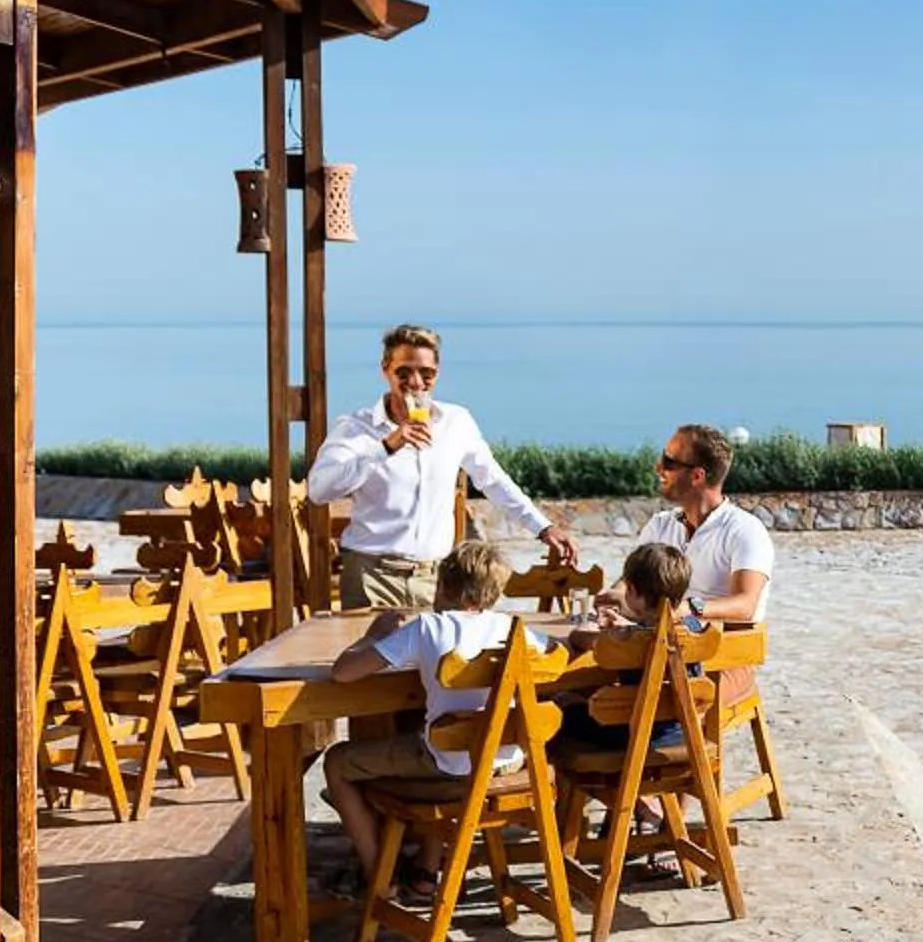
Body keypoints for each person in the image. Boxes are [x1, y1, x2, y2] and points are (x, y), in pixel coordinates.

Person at [306, 324, 578, 608]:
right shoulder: (355, 428)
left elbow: (493, 480)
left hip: (437, 580)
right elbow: (319, 490)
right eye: (404, 372)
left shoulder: (455, 422)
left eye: (426, 374)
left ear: (437, 373)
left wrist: (544, 528)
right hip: (372, 577)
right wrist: (386, 447)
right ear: (385, 369)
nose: (416, 383)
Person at [319, 541, 519, 899]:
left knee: (338, 761)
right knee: (428, 731)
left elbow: (343, 673)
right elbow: (561, 654)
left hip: (450, 771)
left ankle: (381, 878)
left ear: (442, 587)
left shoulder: (427, 628)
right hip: (505, 766)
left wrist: (374, 636)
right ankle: (426, 870)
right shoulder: (513, 629)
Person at [554, 543, 694, 757]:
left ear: (632, 590)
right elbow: (652, 632)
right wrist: (628, 628)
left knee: (558, 703)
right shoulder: (693, 628)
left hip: (634, 735)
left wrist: (598, 629)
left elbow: (579, 638)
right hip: (685, 734)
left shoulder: (630, 640)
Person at [627, 423, 772, 626]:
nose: (658, 467)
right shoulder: (660, 525)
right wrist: (610, 601)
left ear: (697, 476)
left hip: (719, 644)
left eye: (669, 462)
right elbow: (628, 588)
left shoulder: (745, 530)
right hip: (662, 640)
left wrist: (687, 609)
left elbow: (745, 606)